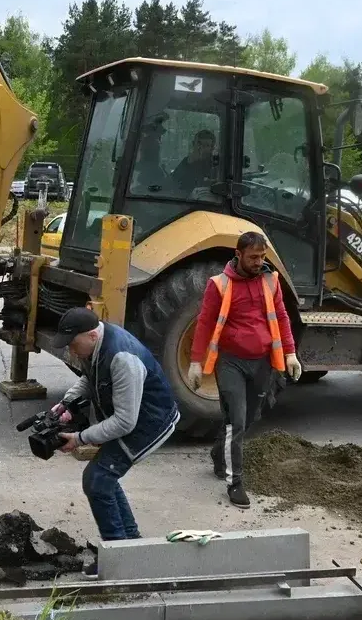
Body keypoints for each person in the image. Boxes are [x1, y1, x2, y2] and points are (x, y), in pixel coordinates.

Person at [47, 307, 180, 569]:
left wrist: (79, 437)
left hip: (150, 422)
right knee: (103, 476)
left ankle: (118, 560)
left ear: (92, 336)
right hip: (131, 418)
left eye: (73, 344)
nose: (72, 351)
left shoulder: (122, 358)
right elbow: (90, 378)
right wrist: (65, 404)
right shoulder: (96, 345)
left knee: (98, 480)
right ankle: (130, 544)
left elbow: (124, 422)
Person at [187, 231, 302, 509]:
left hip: (263, 361)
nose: (258, 262)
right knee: (235, 421)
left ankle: (219, 453)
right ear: (238, 255)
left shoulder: (270, 281)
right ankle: (235, 482)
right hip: (231, 363)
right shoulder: (219, 285)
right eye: (253, 257)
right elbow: (204, 323)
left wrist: (290, 353)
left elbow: (282, 317)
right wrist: (195, 361)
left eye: (262, 257)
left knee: (252, 416)